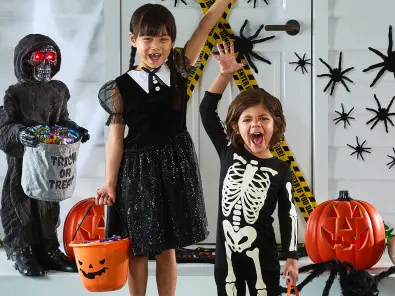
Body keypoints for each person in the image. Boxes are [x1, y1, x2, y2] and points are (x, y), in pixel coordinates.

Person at [96, 2, 231, 295]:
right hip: (137, 171)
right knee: (139, 247)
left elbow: (205, 25)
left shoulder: (179, 68)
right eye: (148, 38)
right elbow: (116, 138)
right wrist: (109, 183)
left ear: (172, 41)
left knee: (168, 246)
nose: (156, 46)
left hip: (174, 166)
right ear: (134, 40)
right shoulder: (119, 88)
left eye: (164, 39)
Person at [199, 41, 299, 296]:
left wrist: (291, 256)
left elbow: (288, 215)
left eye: (264, 118)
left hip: (263, 257)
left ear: (275, 125)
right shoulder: (229, 152)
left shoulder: (280, 169)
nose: (256, 124)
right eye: (247, 119)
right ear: (235, 127)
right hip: (227, 258)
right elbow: (207, 111)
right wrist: (224, 75)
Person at [0, 33, 90, 276]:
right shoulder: (15, 93)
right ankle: (22, 250)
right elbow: (5, 126)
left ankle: (49, 248)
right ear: (25, 61)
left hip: (48, 161)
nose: (45, 65)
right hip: (23, 162)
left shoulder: (58, 90)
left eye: (50, 57)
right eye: (38, 58)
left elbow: (61, 119)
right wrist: (20, 134)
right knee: (21, 204)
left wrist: (75, 130)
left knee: (48, 204)